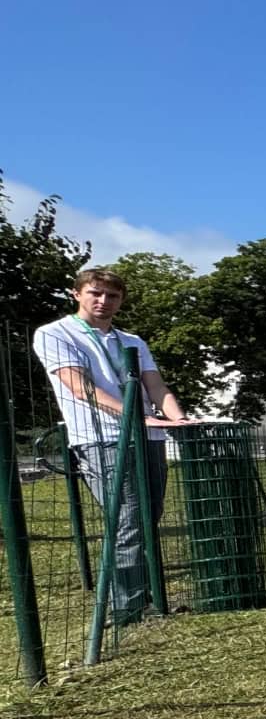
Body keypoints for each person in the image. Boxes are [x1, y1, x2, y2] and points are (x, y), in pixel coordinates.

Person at [31, 266, 197, 622]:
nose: (103, 301)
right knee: (128, 519)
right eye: (95, 293)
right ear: (77, 294)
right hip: (103, 438)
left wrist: (176, 418)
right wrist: (135, 416)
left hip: (149, 437)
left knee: (148, 518)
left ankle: (145, 598)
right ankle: (126, 609)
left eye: (112, 296)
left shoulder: (132, 340)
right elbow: (80, 387)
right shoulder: (54, 333)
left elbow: (156, 386)